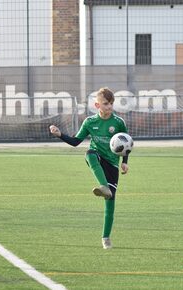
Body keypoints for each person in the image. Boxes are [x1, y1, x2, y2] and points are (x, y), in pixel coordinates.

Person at [49, 87, 129, 250]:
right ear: (97, 105)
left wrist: (125, 162)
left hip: (112, 164)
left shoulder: (119, 122)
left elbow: (126, 144)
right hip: (98, 158)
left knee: (110, 203)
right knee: (89, 153)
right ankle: (104, 186)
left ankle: (106, 237)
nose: (109, 107)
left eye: (111, 104)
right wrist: (60, 135)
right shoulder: (90, 122)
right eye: (106, 104)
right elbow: (76, 142)